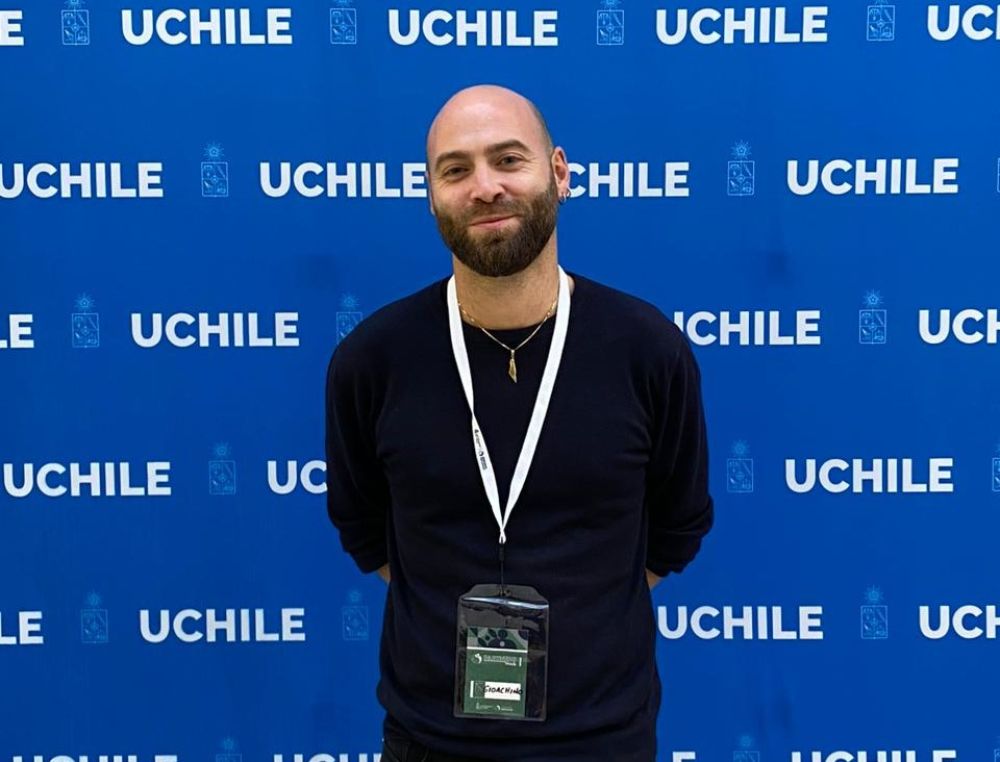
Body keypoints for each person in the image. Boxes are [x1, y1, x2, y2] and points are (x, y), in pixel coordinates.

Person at [325, 84, 714, 762]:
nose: (485, 187)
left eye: (509, 159)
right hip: (428, 740)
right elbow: (364, 529)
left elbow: (675, 529)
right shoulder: (373, 360)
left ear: (559, 173)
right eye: (456, 169)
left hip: (603, 739)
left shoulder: (647, 350)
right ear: (432, 193)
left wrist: (587, 600)